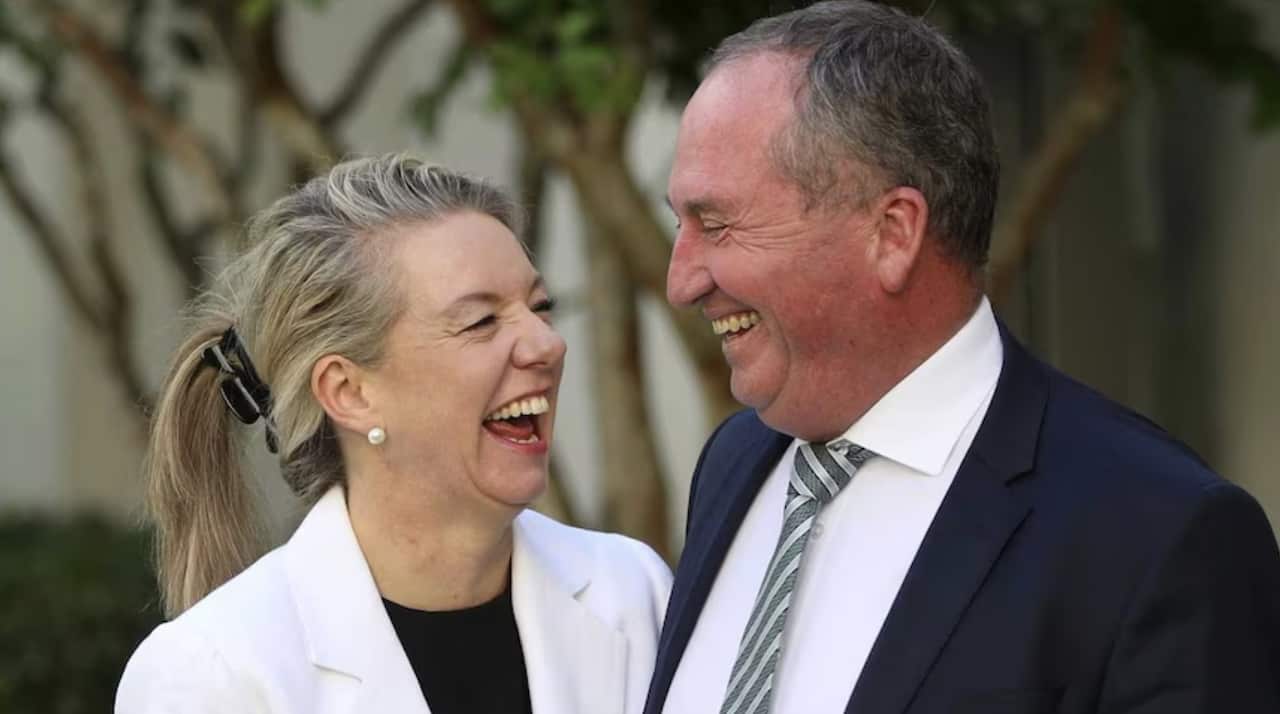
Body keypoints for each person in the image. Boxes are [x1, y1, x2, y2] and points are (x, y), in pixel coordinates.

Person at [647, 3, 1280, 713]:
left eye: (718, 223)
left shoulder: (1159, 538)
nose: (681, 280)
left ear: (892, 233)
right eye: (681, 223)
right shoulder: (735, 463)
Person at [116, 155, 672, 714]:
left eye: (540, 307)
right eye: (481, 321)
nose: (547, 344)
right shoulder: (210, 678)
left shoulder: (633, 593)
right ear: (349, 392)